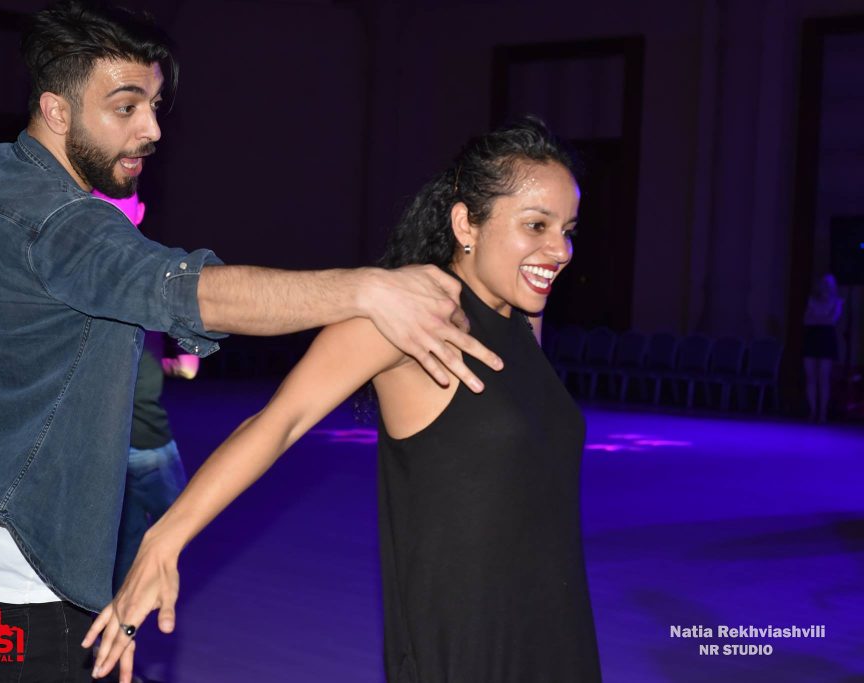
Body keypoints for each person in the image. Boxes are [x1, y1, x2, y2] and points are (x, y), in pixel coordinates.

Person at [0, 2, 503, 681]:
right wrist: (365, 289)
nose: (152, 129)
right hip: (20, 589)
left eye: (155, 106)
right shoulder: (72, 228)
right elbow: (194, 292)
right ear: (57, 111)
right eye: (126, 107)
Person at [87, 118, 602, 682]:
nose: (561, 250)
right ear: (466, 224)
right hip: (468, 645)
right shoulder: (407, 316)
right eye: (536, 225)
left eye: (567, 229)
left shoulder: (525, 320)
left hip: (558, 631)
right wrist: (163, 541)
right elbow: (278, 423)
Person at [92, 187, 199, 593]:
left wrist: (182, 355)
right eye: (105, 204)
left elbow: (188, 315)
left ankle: (128, 608)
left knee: (174, 530)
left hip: (147, 442)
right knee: (125, 544)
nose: (115, 212)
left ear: (140, 211)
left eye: (122, 205)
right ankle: (119, 614)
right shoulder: (85, 269)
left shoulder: (157, 268)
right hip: (107, 446)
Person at [802, 273, 843, 422]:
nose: (825, 286)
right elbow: (806, 320)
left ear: (833, 286)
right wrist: (821, 318)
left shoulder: (837, 302)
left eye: (828, 283)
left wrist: (817, 318)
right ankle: (812, 411)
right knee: (810, 376)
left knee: (823, 377)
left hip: (826, 338)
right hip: (812, 337)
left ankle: (822, 412)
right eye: (823, 283)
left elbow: (832, 321)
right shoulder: (812, 300)